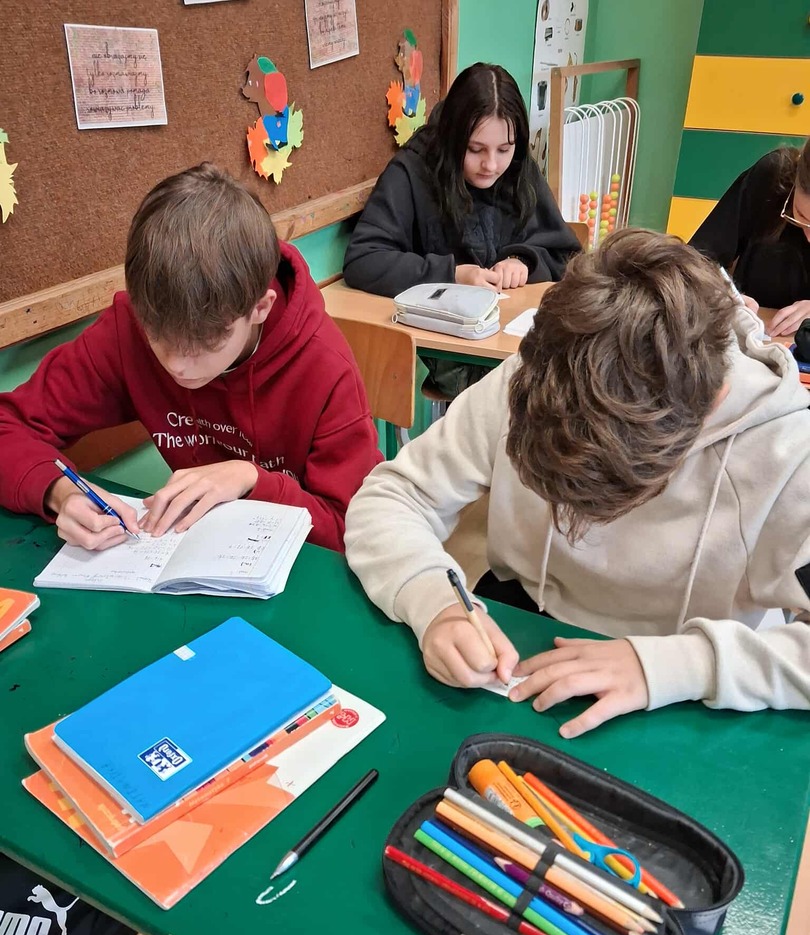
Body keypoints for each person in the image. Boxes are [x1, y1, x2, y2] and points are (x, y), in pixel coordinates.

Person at [344, 229, 810, 739]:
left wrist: (681, 666)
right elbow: (392, 496)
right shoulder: (536, 375)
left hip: (688, 680)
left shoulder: (788, 449)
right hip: (523, 616)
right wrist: (435, 604)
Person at [0, 163, 381, 553]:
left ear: (260, 309)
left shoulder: (324, 365)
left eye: (204, 344)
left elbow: (352, 529)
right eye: (156, 336)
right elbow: (7, 425)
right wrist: (59, 492)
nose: (176, 365)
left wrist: (251, 480)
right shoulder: (128, 328)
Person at [343, 62, 579, 396]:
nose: (491, 165)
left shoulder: (518, 170)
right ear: (453, 137)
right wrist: (452, 274)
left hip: (513, 346)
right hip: (449, 351)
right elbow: (363, 260)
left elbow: (567, 255)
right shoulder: (412, 171)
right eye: (475, 149)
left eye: (504, 149)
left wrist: (523, 261)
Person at [690, 139, 810, 337]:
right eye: (802, 217)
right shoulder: (773, 177)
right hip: (752, 339)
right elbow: (696, 260)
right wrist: (719, 293)